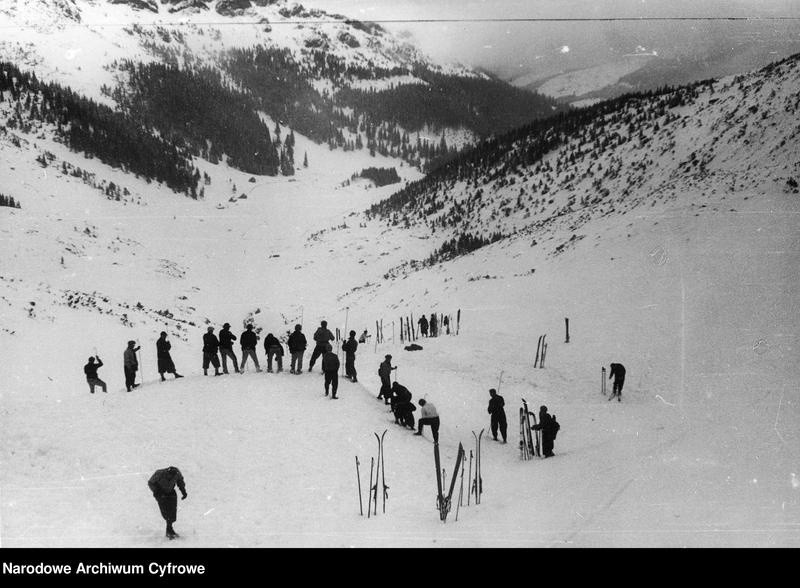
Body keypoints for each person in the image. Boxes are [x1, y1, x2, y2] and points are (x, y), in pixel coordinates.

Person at [147, 466, 187, 540]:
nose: (170, 477)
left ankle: (169, 529)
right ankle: (169, 530)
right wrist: (157, 491)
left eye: (172, 477)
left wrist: (183, 492)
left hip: (171, 493)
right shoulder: (159, 473)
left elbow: (180, 481)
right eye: (169, 476)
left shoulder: (177, 473)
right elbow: (150, 482)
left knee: (172, 512)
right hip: (160, 493)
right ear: (166, 473)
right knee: (165, 511)